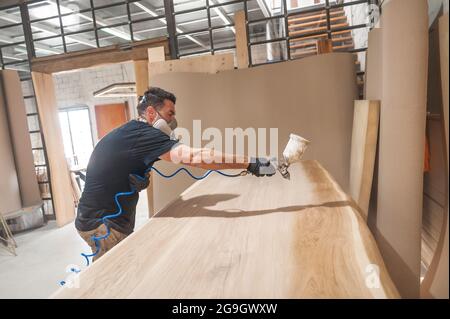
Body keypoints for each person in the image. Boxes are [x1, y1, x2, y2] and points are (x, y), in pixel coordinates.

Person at [75, 87, 276, 261]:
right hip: (103, 224)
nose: (173, 121)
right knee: (113, 282)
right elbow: (197, 157)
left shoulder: (132, 131)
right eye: (170, 114)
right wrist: (250, 162)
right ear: (151, 113)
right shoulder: (143, 135)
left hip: (98, 218)